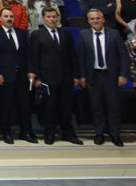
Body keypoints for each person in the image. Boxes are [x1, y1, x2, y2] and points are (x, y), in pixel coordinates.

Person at [29, 8, 83, 145]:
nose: (52, 19)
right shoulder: (37, 34)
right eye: (49, 17)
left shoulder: (65, 34)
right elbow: (35, 57)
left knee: (66, 106)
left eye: (54, 16)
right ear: (43, 18)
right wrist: (38, 77)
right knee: (49, 106)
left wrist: (76, 75)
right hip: (46, 77)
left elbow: (72, 55)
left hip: (65, 76)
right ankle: (49, 133)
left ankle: (68, 133)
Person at [77, 9, 129, 146]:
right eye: (92, 19)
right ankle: (99, 133)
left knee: (113, 107)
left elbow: (123, 55)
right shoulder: (83, 35)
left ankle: (115, 134)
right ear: (88, 21)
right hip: (93, 76)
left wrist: (123, 74)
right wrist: (82, 76)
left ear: (103, 19)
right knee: (96, 107)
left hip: (111, 75)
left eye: (98, 18)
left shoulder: (114, 34)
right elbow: (80, 57)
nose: (95, 21)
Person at [0, 7, 36, 144]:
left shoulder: (22, 33)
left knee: (24, 105)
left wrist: (30, 70)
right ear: (0, 18)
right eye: (6, 16)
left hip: (22, 74)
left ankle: (25, 132)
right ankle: (6, 132)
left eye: (11, 16)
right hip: (4, 76)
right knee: (6, 105)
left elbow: (28, 53)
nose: (9, 19)